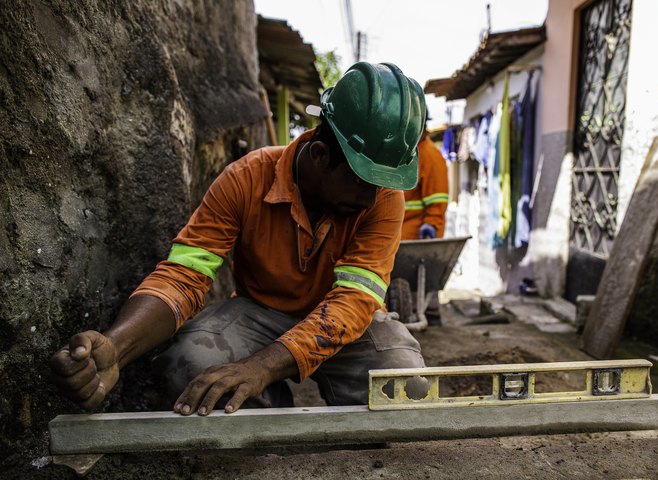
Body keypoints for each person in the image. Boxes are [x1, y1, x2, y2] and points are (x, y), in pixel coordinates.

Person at [49, 62, 428, 415]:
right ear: (319, 155)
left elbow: (354, 302)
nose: (372, 198)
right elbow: (183, 276)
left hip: (347, 322)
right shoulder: (244, 179)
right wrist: (117, 347)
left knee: (404, 386)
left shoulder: (383, 198)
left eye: (382, 183)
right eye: (363, 181)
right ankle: (271, 434)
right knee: (190, 368)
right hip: (259, 313)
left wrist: (262, 366)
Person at [400, 117, 449, 240]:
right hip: (400, 234)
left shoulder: (430, 156)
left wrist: (431, 224)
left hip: (414, 237)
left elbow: (437, 202)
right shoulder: (410, 152)